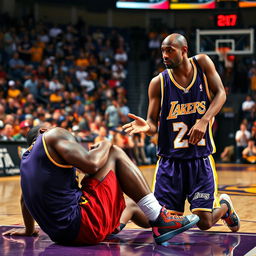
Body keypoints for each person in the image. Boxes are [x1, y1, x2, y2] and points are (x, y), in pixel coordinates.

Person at [3, 126, 199, 245]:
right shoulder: (52, 135)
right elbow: (92, 163)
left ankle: (159, 221)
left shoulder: (27, 159)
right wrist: (105, 142)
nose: (66, 134)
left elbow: (23, 199)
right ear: (44, 131)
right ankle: (160, 218)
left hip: (62, 235)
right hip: (82, 226)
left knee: (130, 204)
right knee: (113, 152)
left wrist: (29, 230)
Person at [123, 33, 240, 232]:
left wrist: (204, 120)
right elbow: (152, 122)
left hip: (199, 158)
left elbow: (221, 93)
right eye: (162, 51)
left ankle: (225, 207)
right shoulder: (158, 82)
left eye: (170, 50)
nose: (165, 55)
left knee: (204, 222)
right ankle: (129, 211)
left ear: (184, 50)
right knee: (163, 223)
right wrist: (147, 127)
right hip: (171, 161)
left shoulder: (202, 63)